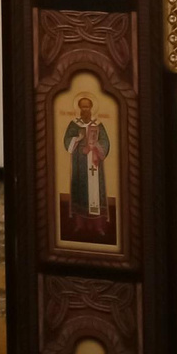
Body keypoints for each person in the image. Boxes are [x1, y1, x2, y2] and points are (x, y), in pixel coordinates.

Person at [58, 95, 112, 244]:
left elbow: (105, 142)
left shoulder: (98, 124)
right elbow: (67, 141)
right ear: (79, 108)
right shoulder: (74, 124)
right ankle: (79, 225)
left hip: (94, 164)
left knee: (95, 194)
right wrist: (78, 138)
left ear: (91, 107)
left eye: (87, 106)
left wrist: (96, 147)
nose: (85, 109)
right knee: (81, 194)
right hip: (80, 164)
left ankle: (98, 227)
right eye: (83, 106)